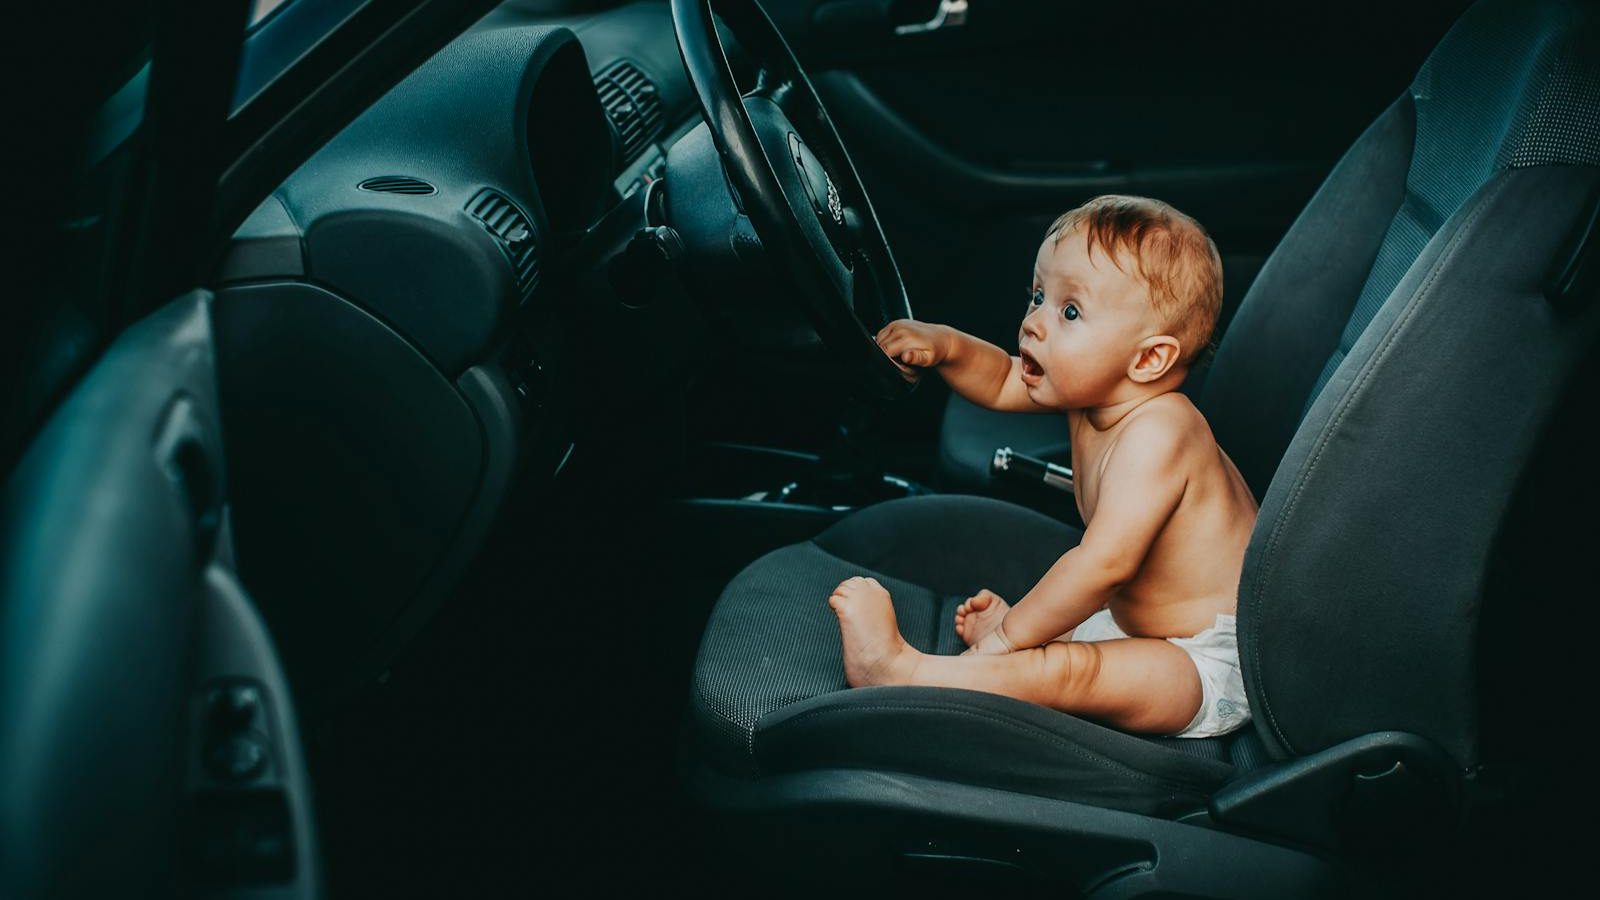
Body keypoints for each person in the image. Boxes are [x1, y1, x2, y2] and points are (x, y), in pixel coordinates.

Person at [828, 195, 1257, 738]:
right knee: (1068, 646)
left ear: (1148, 360)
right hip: (1131, 625)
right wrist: (945, 346)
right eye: (1037, 295)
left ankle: (901, 672)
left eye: (1069, 311)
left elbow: (1103, 566)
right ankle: (1018, 654)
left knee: (1070, 672)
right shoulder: (1095, 391)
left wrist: (1007, 637)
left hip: (1206, 660)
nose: (1033, 322)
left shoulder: (1161, 432)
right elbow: (1006, 379)